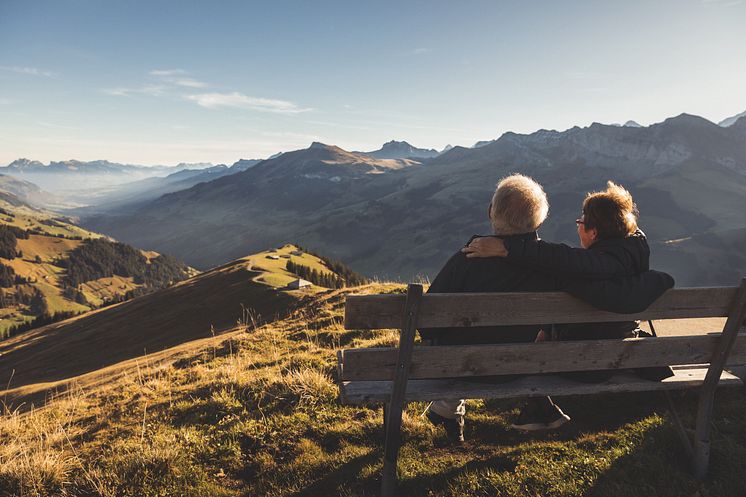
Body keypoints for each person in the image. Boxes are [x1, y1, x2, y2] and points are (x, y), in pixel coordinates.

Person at [423, 177, 673, 442]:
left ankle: (447, 407)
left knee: (459, 342)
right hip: (515, 367)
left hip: (457, 365)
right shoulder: (552, 271)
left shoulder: (467, 257)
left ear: (490, 212)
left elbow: (427, 322)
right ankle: (451, 408)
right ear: (539, 221)